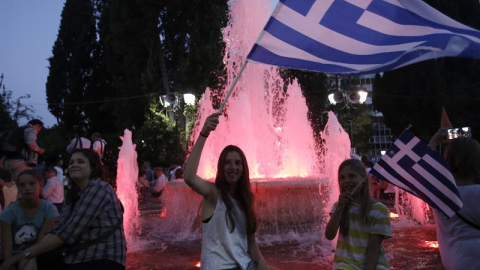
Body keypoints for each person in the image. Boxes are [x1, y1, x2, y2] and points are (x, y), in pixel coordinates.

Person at [0, 148, 126, 270]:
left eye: (80, 161)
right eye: (71, 162)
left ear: (92, 167)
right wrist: (32, 255)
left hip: (101, 258)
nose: (74, 165)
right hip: (78, 257)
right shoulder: (74, 194)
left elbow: (65, 234)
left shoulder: (98, 188)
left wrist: (23, 255)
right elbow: (57, 228)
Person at [184, 112, 274, 270]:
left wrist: (263, 265)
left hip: (245, 265)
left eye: (238, 163)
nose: (233, 167)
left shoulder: (246, 201)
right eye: (227, 163)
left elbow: (251, 246)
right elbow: (189, 177)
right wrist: (204, 133)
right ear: (221, 167)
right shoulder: (213, 195)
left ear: (243, 168)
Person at [325, 159, 392, 270]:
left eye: (352, 176)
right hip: (345, 263)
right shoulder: (338, 207)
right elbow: (329, 235)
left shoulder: (379, 210)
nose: (346, 181)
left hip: (375, 264)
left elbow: (374, 249)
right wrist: (339, 208)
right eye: (342, 178)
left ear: (364, 180)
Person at [429, 133, 480, 270]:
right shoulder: (477, 193)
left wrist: (434, 142)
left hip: (453, 262)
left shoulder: (439, 195)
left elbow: (421, 171)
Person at [0, 170, 59, 270]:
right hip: (14, 256)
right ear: (18, 188)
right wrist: (10, 264)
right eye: (22, 185)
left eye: (32, 184)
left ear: (40, 185)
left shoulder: (49, 210)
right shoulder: (8, 213)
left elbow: (41, 242)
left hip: (39, 253)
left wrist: (30, 259)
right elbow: (7, 249)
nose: (27, 188)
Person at [3, 119, 45, 185]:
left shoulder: (17, 130)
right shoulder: (31, 129)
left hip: (7, 161)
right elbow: (31, 143)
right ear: (37, 125)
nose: (38, 131)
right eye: (40, 128)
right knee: (22, 185)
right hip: (21, 162)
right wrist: (39, 150)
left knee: (10, 186)